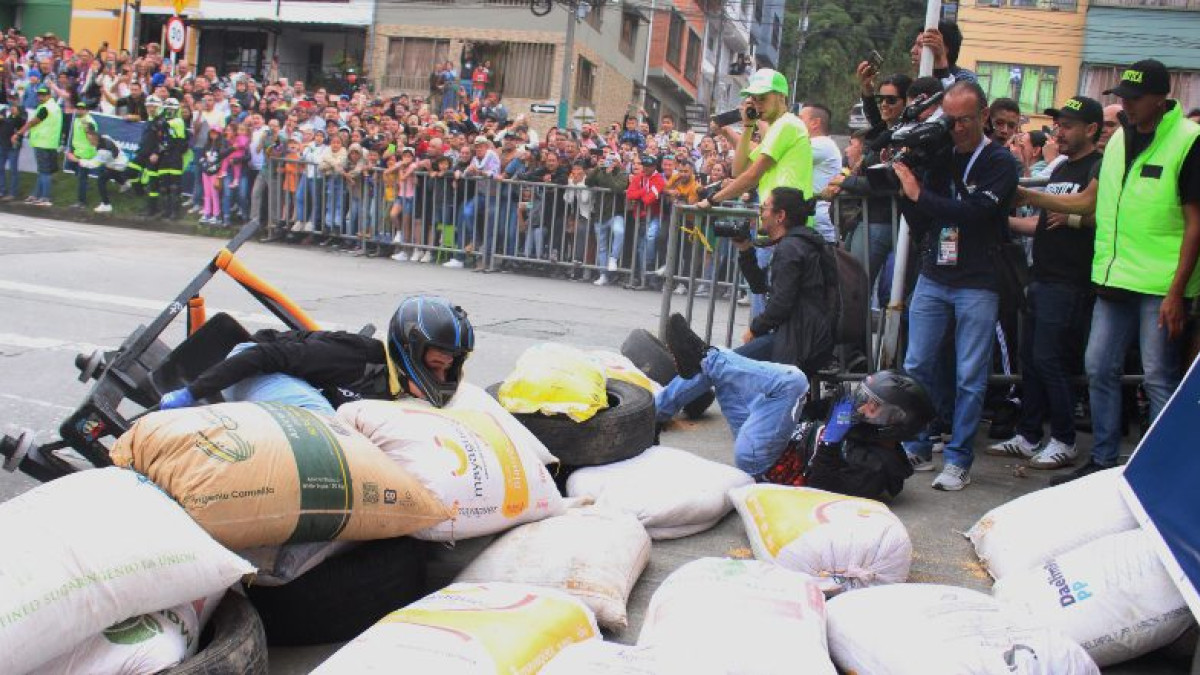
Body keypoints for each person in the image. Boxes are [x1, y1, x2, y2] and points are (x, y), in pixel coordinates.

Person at [1016, 60, 1200, 485]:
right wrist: (1028, 196)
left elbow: (1196, 223)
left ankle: (1161, 472)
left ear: (1161, 99)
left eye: (1134, 99)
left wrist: (1177, 292)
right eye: (1122, 98)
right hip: (1114, 279)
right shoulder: (1117, 142)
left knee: (1157, 377)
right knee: (1098, 367)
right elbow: (1089, 203)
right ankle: (1102, 462)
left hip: (1160, 285)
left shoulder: (1188, 141)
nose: (1127, 105)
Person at [892, 80, 1020, 491]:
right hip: (935, 273)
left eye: (965, 120)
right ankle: (916, 444)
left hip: (978, 281)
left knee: (969, 375)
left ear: (984, 116)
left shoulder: (1000, 161)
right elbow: (923, 217)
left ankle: (959, 458)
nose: (957, 128)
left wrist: (919, 194)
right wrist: (905, 189)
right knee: (917, 365)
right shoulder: (939, 154)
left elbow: (975, 214)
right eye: (950, 120)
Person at [659, 312, 933, 497]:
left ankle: (705, 357)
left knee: (793, 380)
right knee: (727, 361)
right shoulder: (865, 429)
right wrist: (824, 405)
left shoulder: (877, 469)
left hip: (766, 463)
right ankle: (653, 413)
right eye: (867, 399)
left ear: (895, 424)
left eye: (873, 406)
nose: (863, 407)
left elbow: (821, 486)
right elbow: (809, 416)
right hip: (772, 438)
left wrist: (831, 442)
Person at [655, 186, 838, 423]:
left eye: (765, 208)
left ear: (780, 216)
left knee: (716, 363)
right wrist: (745, 249)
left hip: (799, 340)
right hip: (802, 335)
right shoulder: (802, 243)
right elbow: (762, 287)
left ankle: (656, 410)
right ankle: (661, 405)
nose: (761, 213)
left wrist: (755, 328)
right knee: (718, 362)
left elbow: (781, 303)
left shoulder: (791, 248)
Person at [990, 96, 1104, 471]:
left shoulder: (1099, 166)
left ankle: (1065, 439)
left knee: (1051, 360)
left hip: (1069, 280)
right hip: (1041, 275)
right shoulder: (1061, 168)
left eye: (1068, 126)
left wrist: (1036, 199)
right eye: (1058, 125)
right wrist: (1001, 220)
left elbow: (1094, 211)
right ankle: (1028, 435)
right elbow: (1041, 222)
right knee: (1031, 360)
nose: (1060, 132)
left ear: (1091, 129)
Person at [159, 296, 475, 414]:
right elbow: (264, 355)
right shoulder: (355, 357)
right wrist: (192, 393)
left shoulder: (401, 387)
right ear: (410, 351)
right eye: (436, 363)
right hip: (253, 365)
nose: (442, 374)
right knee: (323, 419)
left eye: (450, 365)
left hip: (296, 382)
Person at [697, 69, 812, 219]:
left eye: (763, 99)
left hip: (788, 219)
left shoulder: (787, 124)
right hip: (779, 219)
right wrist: (748, 125)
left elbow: (752, 176)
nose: (757, 105)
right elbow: (738, 171)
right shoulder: (777, 128)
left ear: (781, 97)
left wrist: (713, 199)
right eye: (754, 100)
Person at [799, 103, 842, 243]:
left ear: (815, 123)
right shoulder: (820, 144)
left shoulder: (822, 144)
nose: (796, 124)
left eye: (800, 119)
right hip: (813, 214)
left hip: (819, 217)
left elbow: (777, 157)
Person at [15, 84, 62, 206]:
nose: (40, 97)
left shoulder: (45, 108)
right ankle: (36, 195)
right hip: (51, 143)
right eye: (39, 95)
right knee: (43, 171)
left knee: (44, 172)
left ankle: (45, 197)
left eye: (43, 95)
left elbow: (32, 122)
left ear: (49, 95)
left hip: (42, 142)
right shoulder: (56, 107)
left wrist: (19, 133)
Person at [81, 126, 128, 213]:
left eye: (90, 140)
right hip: (120, 160)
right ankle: (125, 184)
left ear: (95, 139)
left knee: (101, 180)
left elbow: (94, 164)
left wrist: (80, 161)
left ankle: (106, 205)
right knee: (112, 173)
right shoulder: (105, 137)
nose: (89, 141)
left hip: (117, 164)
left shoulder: (103, 151)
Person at [65, 101, 99, 208]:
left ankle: (82, 202)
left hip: (86, 154)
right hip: (78, 152)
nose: (79, 110)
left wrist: (87, 129)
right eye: (78, 108)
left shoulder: (89, 121)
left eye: (82, 108)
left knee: (82, 178)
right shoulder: (77, 120)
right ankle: (85, 190)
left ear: (87, 110)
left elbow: (93, 139)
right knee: (79, 176)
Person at [0, 104, 27, 201]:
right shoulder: (7, 115)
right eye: (11, 106)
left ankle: (13, 192)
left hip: (13, 147)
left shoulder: (21, 118)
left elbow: (17, 123)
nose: (12, 108)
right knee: (0, 168)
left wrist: (3, 119)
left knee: (13, 170)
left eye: (14, 107)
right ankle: (2, 190)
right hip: (2, 145)